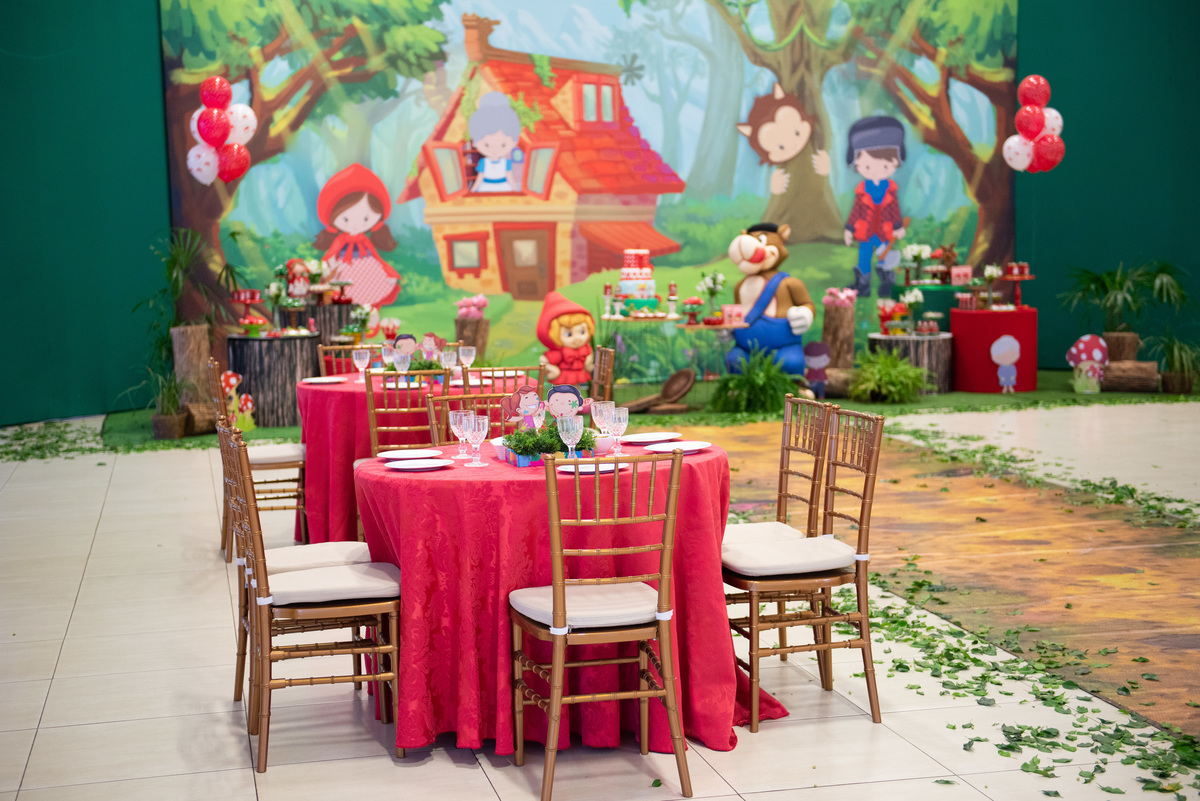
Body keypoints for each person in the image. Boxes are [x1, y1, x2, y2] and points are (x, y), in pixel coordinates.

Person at [314, 164, 400, 309]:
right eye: (346, 219)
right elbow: (331, 254)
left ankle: (368, 312)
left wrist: (387, 272)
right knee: (344, 292)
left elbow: (376, 256)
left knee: (370, 291)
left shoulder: (364, 240)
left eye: (366, 218)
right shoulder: (341, 240)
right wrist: (329, 266)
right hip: (345, 267)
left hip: (367, 267)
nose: (355, 225)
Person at [841, 117, 907, 297]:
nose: (876, 170)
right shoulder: (862, 190)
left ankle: (887, 284)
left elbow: (894, 211)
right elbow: (856, 212)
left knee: (884, 258)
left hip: (884, 232)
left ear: (894, 163)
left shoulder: (890, 190)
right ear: (858, 164)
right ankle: (863, 285)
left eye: (885, 165)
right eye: (867, 166)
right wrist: (849, 229)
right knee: (864, 257)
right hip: (866, 231)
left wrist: (898, 227)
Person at [536, 292, 596, 385]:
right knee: (563, 391)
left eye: (582, 332)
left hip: (578, 375)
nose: (577, 338)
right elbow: (544, 359)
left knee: (576, 390)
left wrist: (589, 364)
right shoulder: (561, 353)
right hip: (564, 377)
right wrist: (553, 370)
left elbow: (589, 362)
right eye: (569, 334)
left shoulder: (585, 350)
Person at [469, 93, 521, 192]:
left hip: (503, 187)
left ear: (514, 142)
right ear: (475, 142)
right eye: (487, 145)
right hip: (486, 187)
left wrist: (515, 190)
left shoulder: (506, 163)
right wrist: (472, 191)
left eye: (503, 145)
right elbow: (480, 178)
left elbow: (509, 177)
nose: (494, 150)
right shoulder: (483, 162)